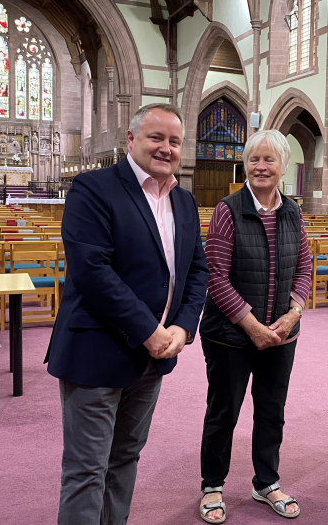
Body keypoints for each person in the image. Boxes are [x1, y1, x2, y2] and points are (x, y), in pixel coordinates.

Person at [45, 103, 209, 525]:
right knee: (87, 470)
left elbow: (197, 271)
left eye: (175, 141)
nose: (166, 148)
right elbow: (92, 272)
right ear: (131, 139)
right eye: (157, 137)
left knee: (125, 460)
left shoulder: (185, 202)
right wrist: (149, 331)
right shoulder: (94, 188)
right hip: (97, 350)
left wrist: (182, 327)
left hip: (152, 358)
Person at [197, 129, 311, 523]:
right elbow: (216, 277)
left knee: (271, 410)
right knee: (223, 412)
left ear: (283, 166)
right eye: (254, 159)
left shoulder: (293, 211)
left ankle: (266, 483)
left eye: (269, 160)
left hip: (281, 334)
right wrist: (252, 325)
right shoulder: (228, 210)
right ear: (245, 164)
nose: (261, 167)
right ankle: (212, 485)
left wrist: (293, 312)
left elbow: (304, 268)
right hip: (229, 335)